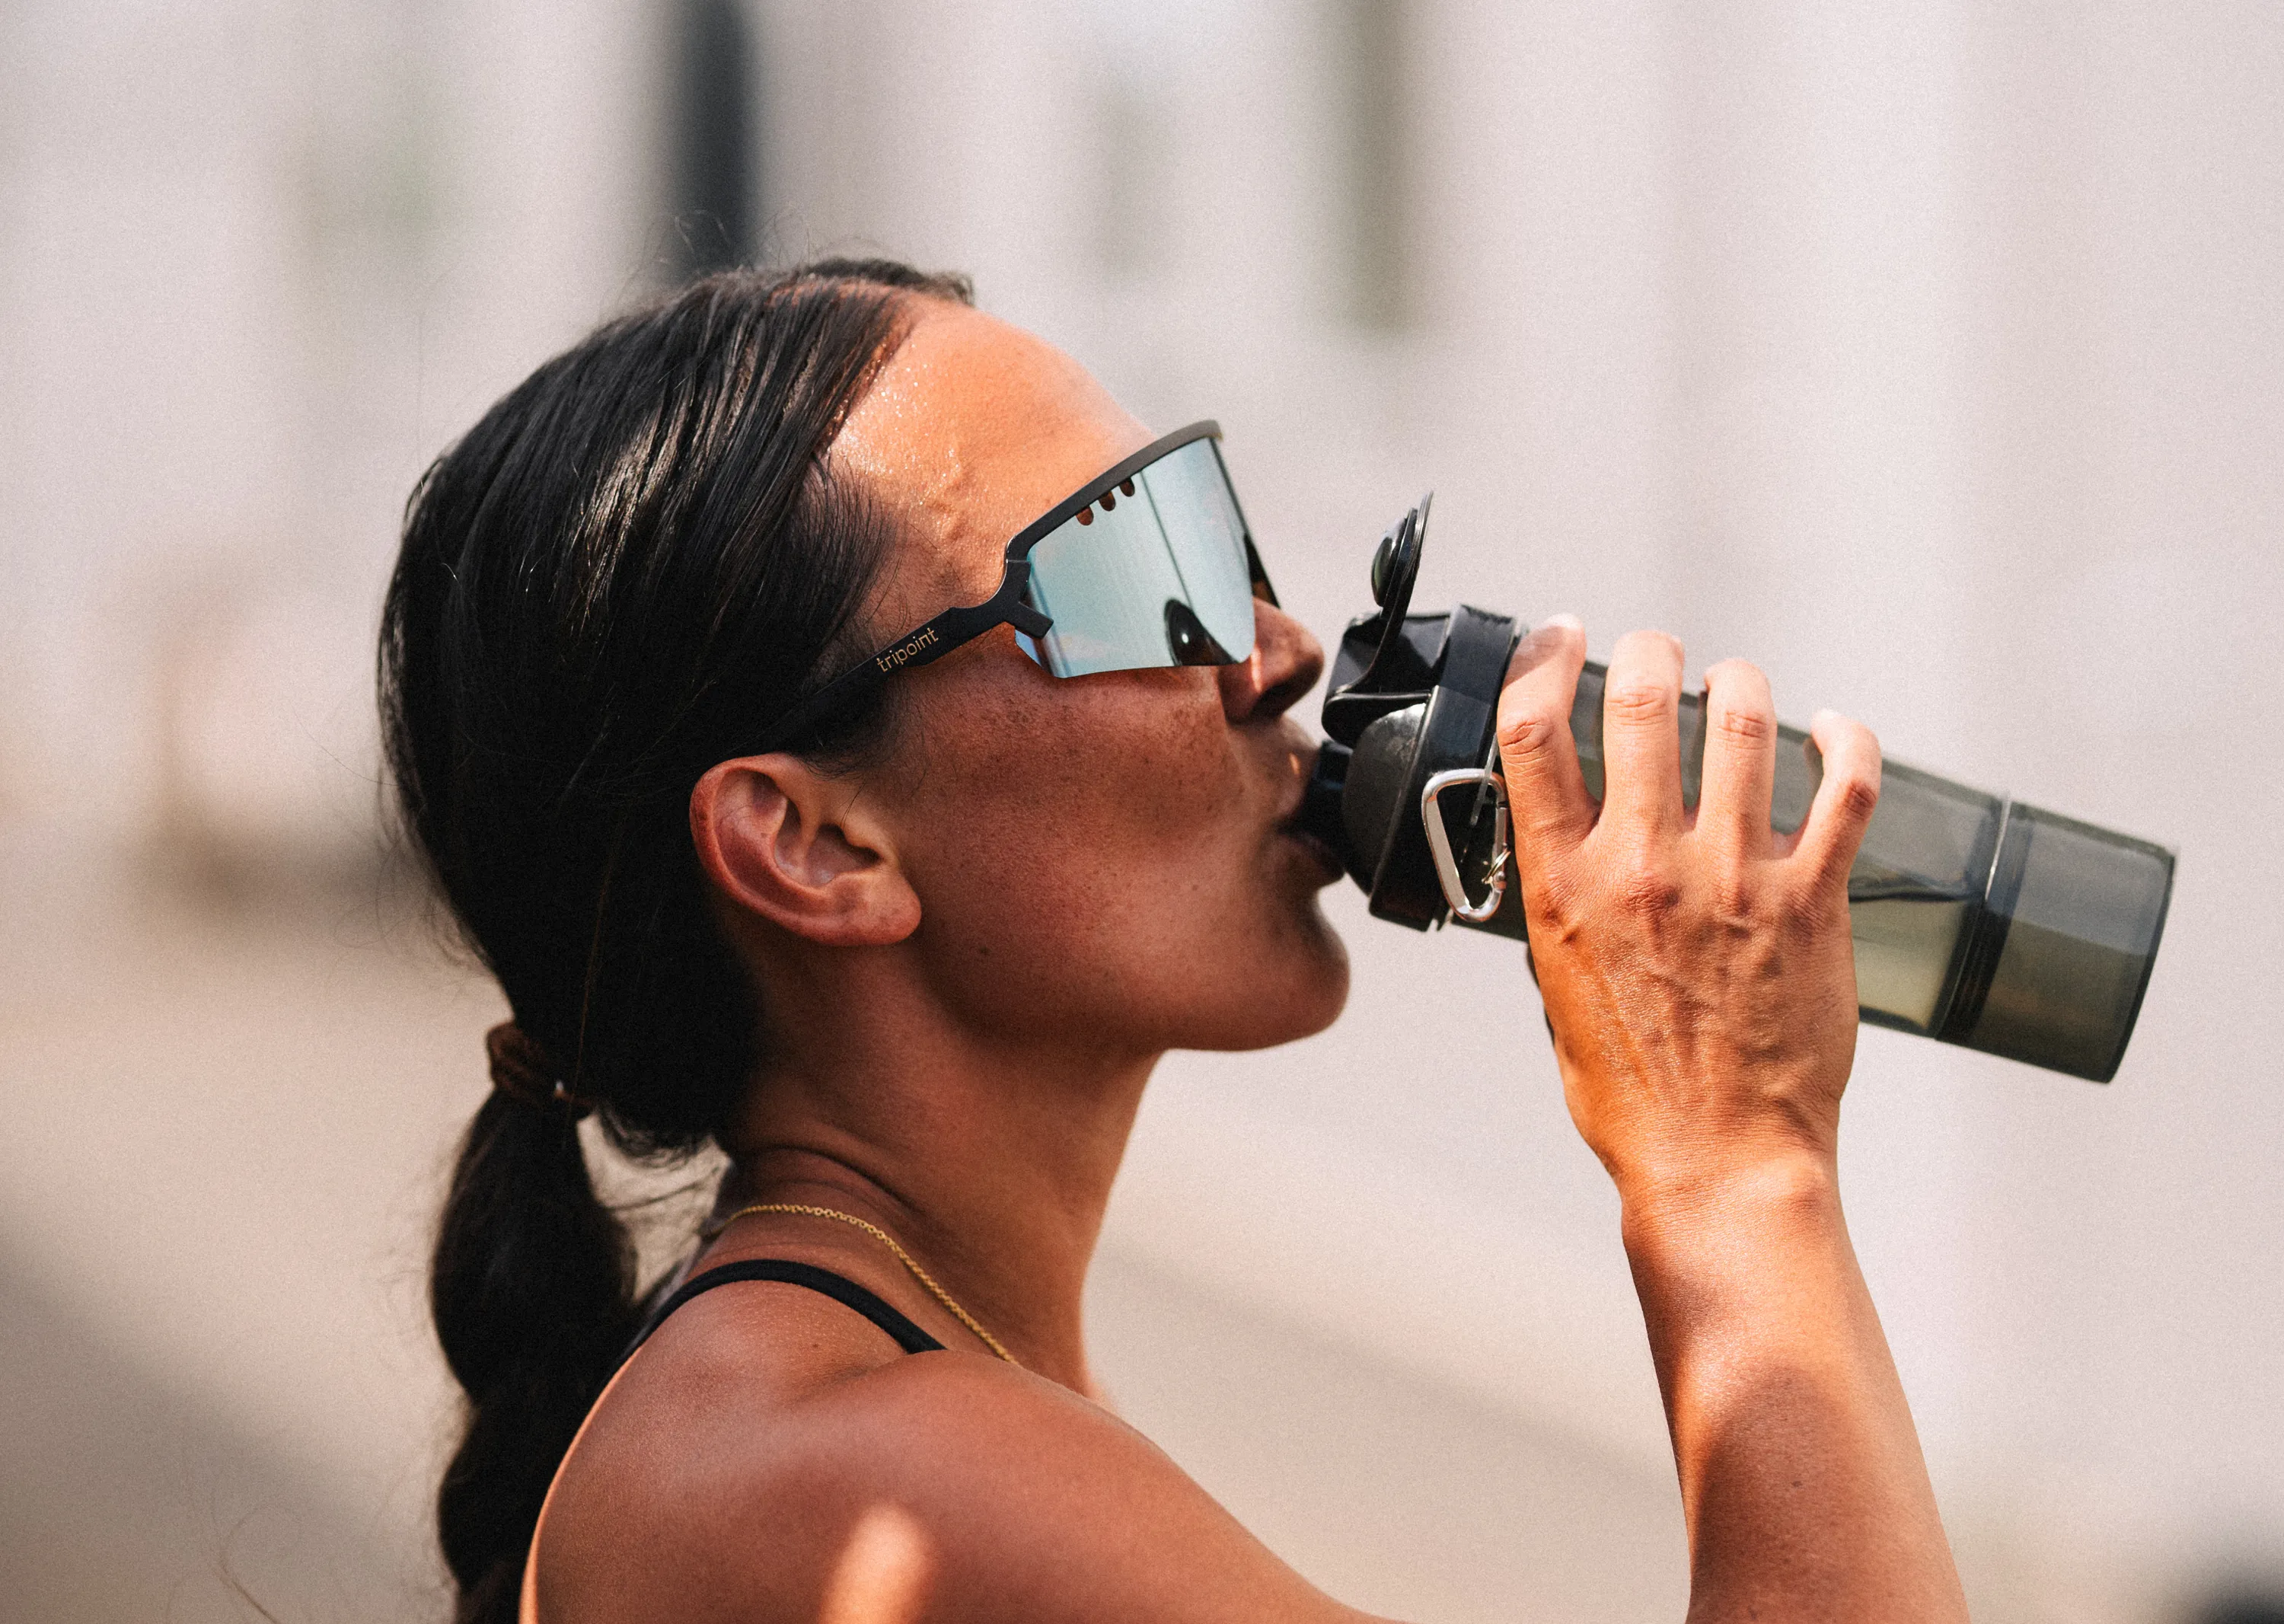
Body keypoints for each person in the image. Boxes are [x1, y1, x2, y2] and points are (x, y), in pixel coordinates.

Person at [381, 258, 1969, 1624]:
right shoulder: (858, 1477)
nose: (1277, 651)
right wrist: (1731, 1164)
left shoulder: (897, 1394)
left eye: (1217, 535)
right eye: (1135, 570)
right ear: (817, 843)